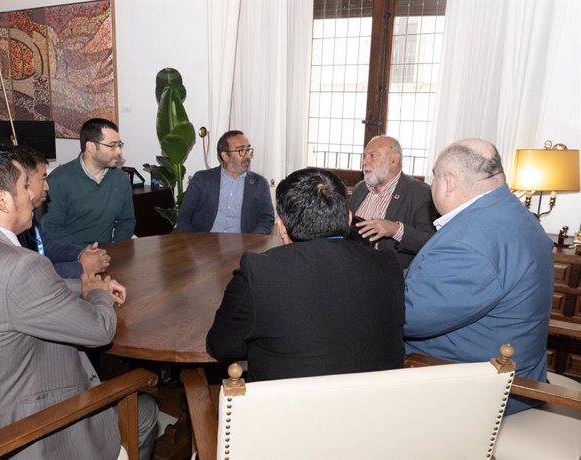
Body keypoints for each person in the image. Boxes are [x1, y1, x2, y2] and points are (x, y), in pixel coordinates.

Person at [0, 145, 157, 459]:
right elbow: (99, 329)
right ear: (2, 200)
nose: (32, 195)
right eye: (23, 187)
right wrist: (98, 293)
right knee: (145, 410)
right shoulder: (21, 267)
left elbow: (23, 296)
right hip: (21, 434)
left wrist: (84, 286)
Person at [206, 167, 405, 381]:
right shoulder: (387, 265)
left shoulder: (260, 271)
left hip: (283, 411)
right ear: (349, 219)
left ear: (281, 226)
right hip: (377, 409)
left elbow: (221, 346)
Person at [404, 138, 553, 415]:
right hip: (511, 370)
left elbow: (408, 317)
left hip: (475, 390)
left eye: (433, 176)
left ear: (448, 181)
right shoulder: (515, 215)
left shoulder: (470, 241)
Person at [13, 146, 110, 278]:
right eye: (43, 179)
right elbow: (30, 275)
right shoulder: (6, 223)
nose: (47, 186)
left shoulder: (28, 213)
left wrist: (80, 254)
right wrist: (82, 267)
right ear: (25, 182)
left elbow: (46, 246)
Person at [348, 135, 438, 269]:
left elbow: (433, 244)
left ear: (394, 160)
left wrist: (396, 230)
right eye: (364, 156)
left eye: (373, 155)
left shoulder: (421, 193)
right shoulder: (360, 188)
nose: (365, 162)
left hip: (391, 275)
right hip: (353, 267)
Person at [43, 118, 135, 245]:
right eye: (112, 145)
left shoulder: (120, 179)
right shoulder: (58, 180)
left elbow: (127, 221)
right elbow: (51, 229)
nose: (119, 151)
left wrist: (116, 248)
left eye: (119, 145)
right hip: (70, 255)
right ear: (91, 146)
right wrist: (83, 253)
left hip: (108, 252)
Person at [176, 130, 274, 234]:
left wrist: (252, 241)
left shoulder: (259, 184)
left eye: (248, 150)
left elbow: (266, 218)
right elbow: (184, 218)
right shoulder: (202, 179)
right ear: (225, 156)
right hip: (205, 243)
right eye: (241, 150)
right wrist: (194, 243)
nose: (247, 156)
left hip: (244, 244)